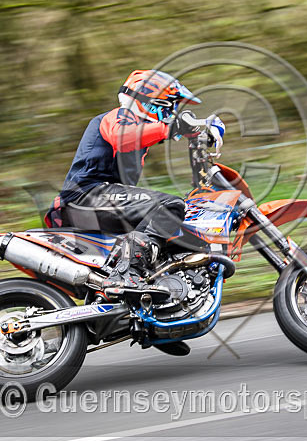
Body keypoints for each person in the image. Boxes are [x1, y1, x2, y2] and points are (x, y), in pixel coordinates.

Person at [45, 70, 225, 288]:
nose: (172, 113)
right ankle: (127, 274)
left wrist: (203, 132)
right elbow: (124, 138)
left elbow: (160, 133)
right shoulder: (118, 117)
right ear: (150, 101)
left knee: (178, 226)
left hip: (100, 200)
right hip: (85, 195)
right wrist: (175, 126)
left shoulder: (139, 129)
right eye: (170, 106)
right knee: (170, 205)